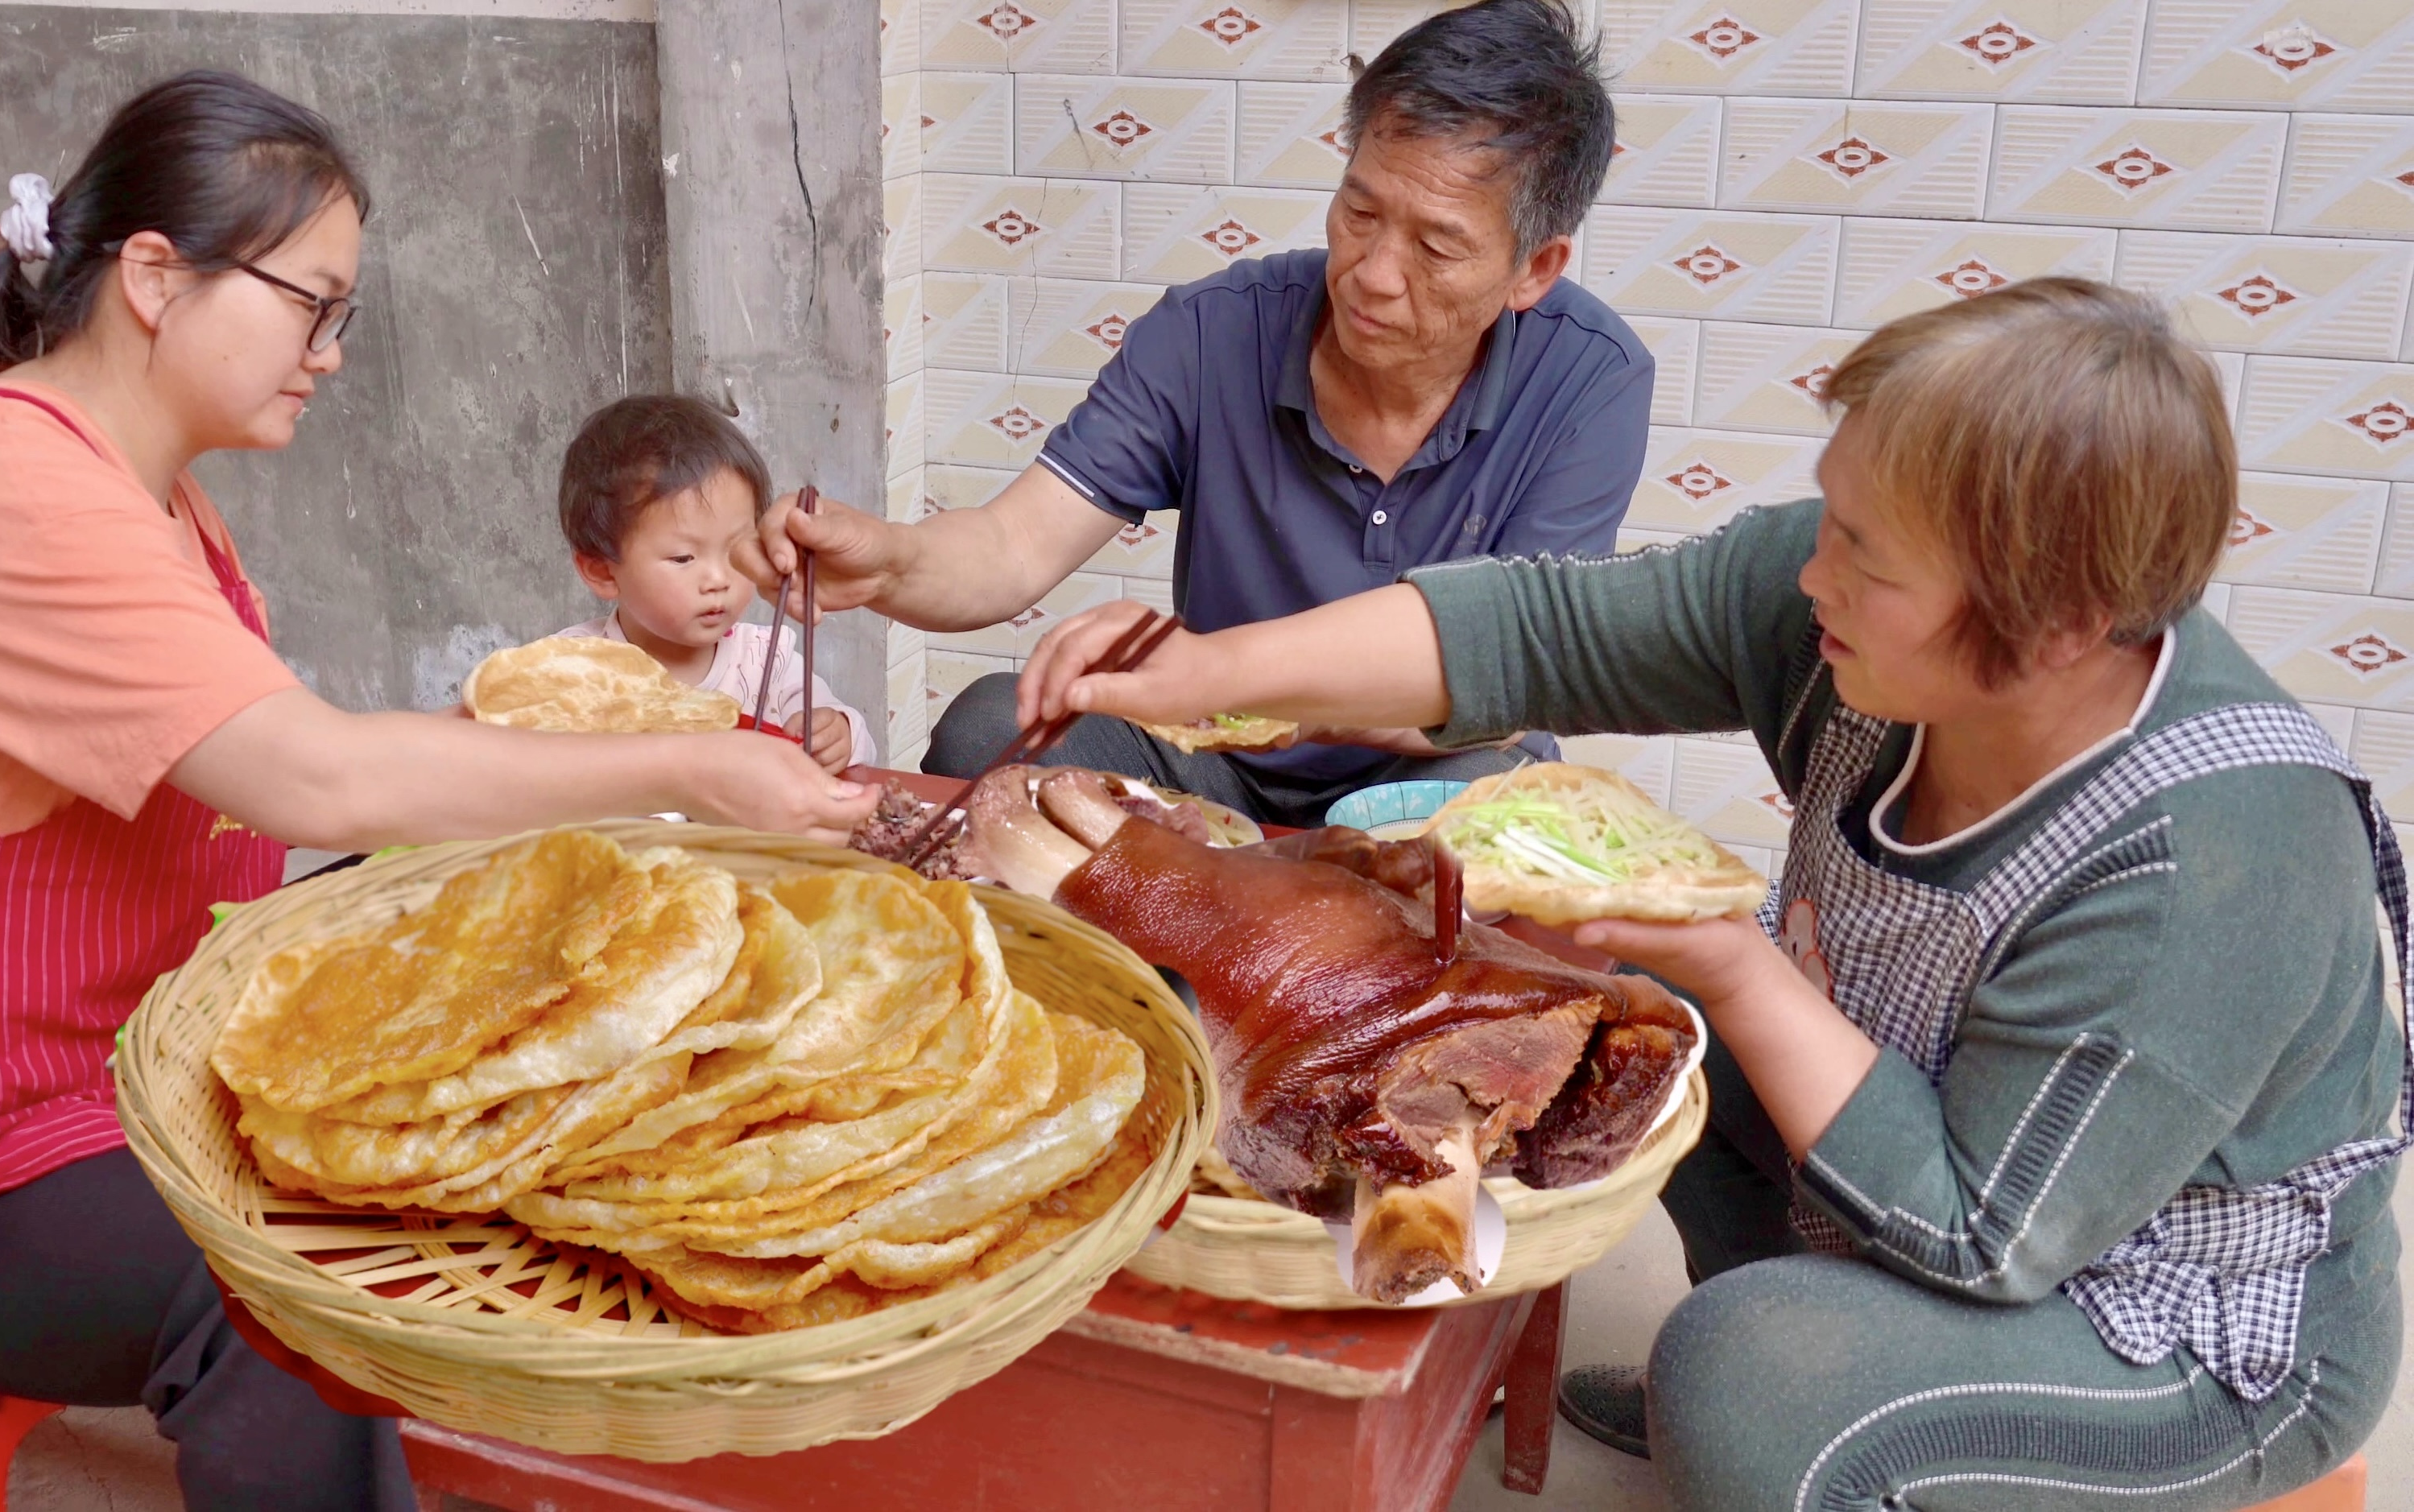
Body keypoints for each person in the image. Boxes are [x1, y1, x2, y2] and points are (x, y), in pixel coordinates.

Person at [1015, 279, 2404, 1510]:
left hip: (2170, 1326)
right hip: (1952, 1158)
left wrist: (1735, 965)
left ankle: (1811, 1396)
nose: (1810, 575)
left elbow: (1986, 1236)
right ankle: (1822, 1364)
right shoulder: (1862, 607)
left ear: (2053, 629)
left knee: (1740, 1377)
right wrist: (1210, 671)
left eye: (1863, 557)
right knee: (1633, 1030)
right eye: (1831, 521)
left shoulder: (2214, 860)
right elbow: (1543, 628)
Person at [0, 72, 873, 1512]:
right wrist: (689, 760)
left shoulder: (144, 489)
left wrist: (535, 750)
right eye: (312, 306)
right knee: (277, 1288)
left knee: (495, 998)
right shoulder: (4, 491)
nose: (331, 353)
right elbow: (315, 775)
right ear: (156, 279)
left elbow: (292, 758)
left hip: (129, 1065)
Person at [746, 0, 1648, 826]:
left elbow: (1517, 679)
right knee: (994, 728)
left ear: (1534, 268)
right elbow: (1014, 547)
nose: (1374, 274)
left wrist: (1242, 679)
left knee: (1482, 817)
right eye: (1360, 211)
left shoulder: (1589, 379)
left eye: (1436, 246)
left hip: (1430, 766)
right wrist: (891, 561)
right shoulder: (1215, 330)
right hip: (1213, 756)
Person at [545, 395, 874, 775]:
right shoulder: (571, 669)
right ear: (603, 571)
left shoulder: (765, 660)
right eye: (684, 558)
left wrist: (839, 734)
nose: (719, 580)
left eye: (736, 549)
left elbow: (856, 745)